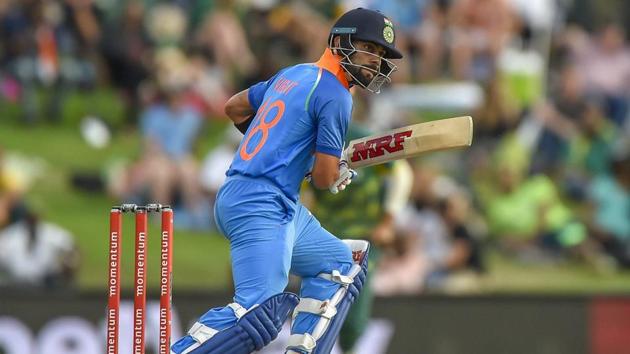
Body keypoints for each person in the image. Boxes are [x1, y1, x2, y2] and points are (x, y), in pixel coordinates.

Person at [170, 8, 403, 354]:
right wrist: (331, 169)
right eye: (369, 49)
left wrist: (286, 149)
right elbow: (324, 179)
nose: (374, 61)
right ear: (340, 42)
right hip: (262, 204)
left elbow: (235, 108)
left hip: (261, 198)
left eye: (381, 55)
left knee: (344, 263)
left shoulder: (292, 75)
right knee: (257, 314)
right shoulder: (337, 95)